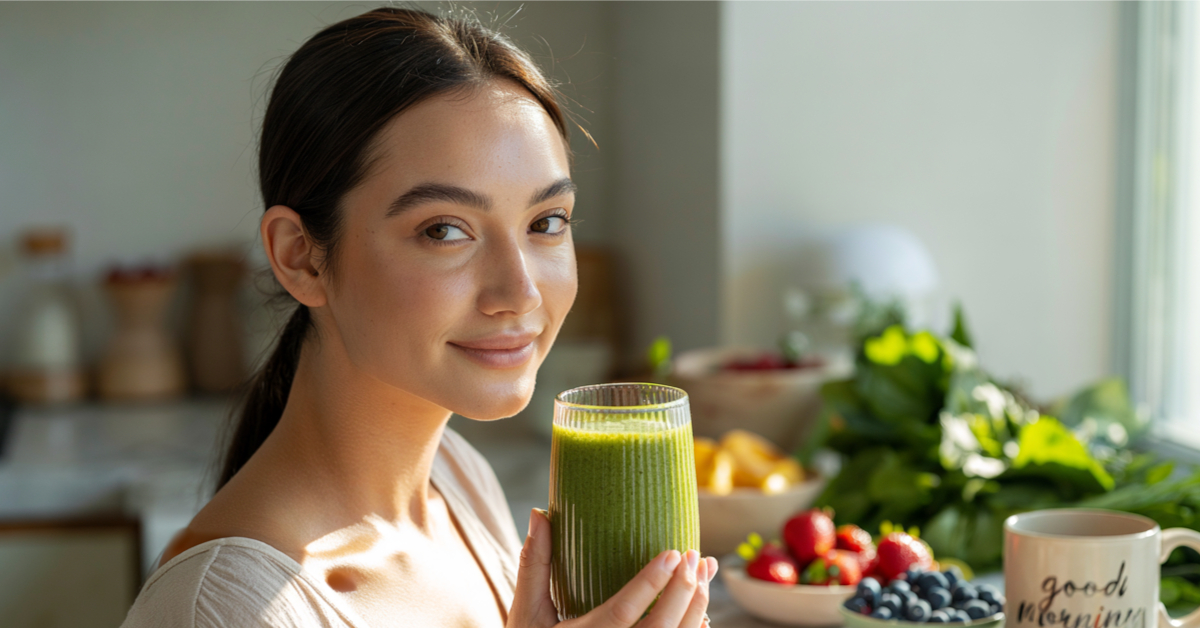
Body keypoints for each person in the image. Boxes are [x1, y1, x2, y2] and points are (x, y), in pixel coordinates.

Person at [120, 7, 716, 628]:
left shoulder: (459, 482)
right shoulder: (219, 610)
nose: (519, 293)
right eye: (444, 230)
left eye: (546, 222)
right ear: (301, 257)